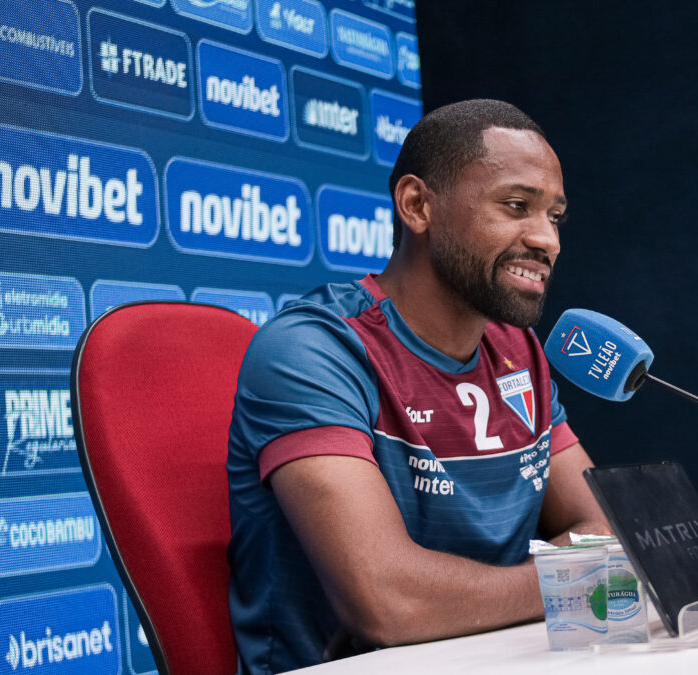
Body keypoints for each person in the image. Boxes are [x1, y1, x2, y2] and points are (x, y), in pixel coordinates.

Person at [227, 99, 610, 674]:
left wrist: (477, 595)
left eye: (554, 216)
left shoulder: (519, 352)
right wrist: (573, 579)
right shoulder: (313, 350)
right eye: (516, 206)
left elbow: (603, 528)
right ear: (416, 205)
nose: (547, 240)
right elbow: (389, 602)